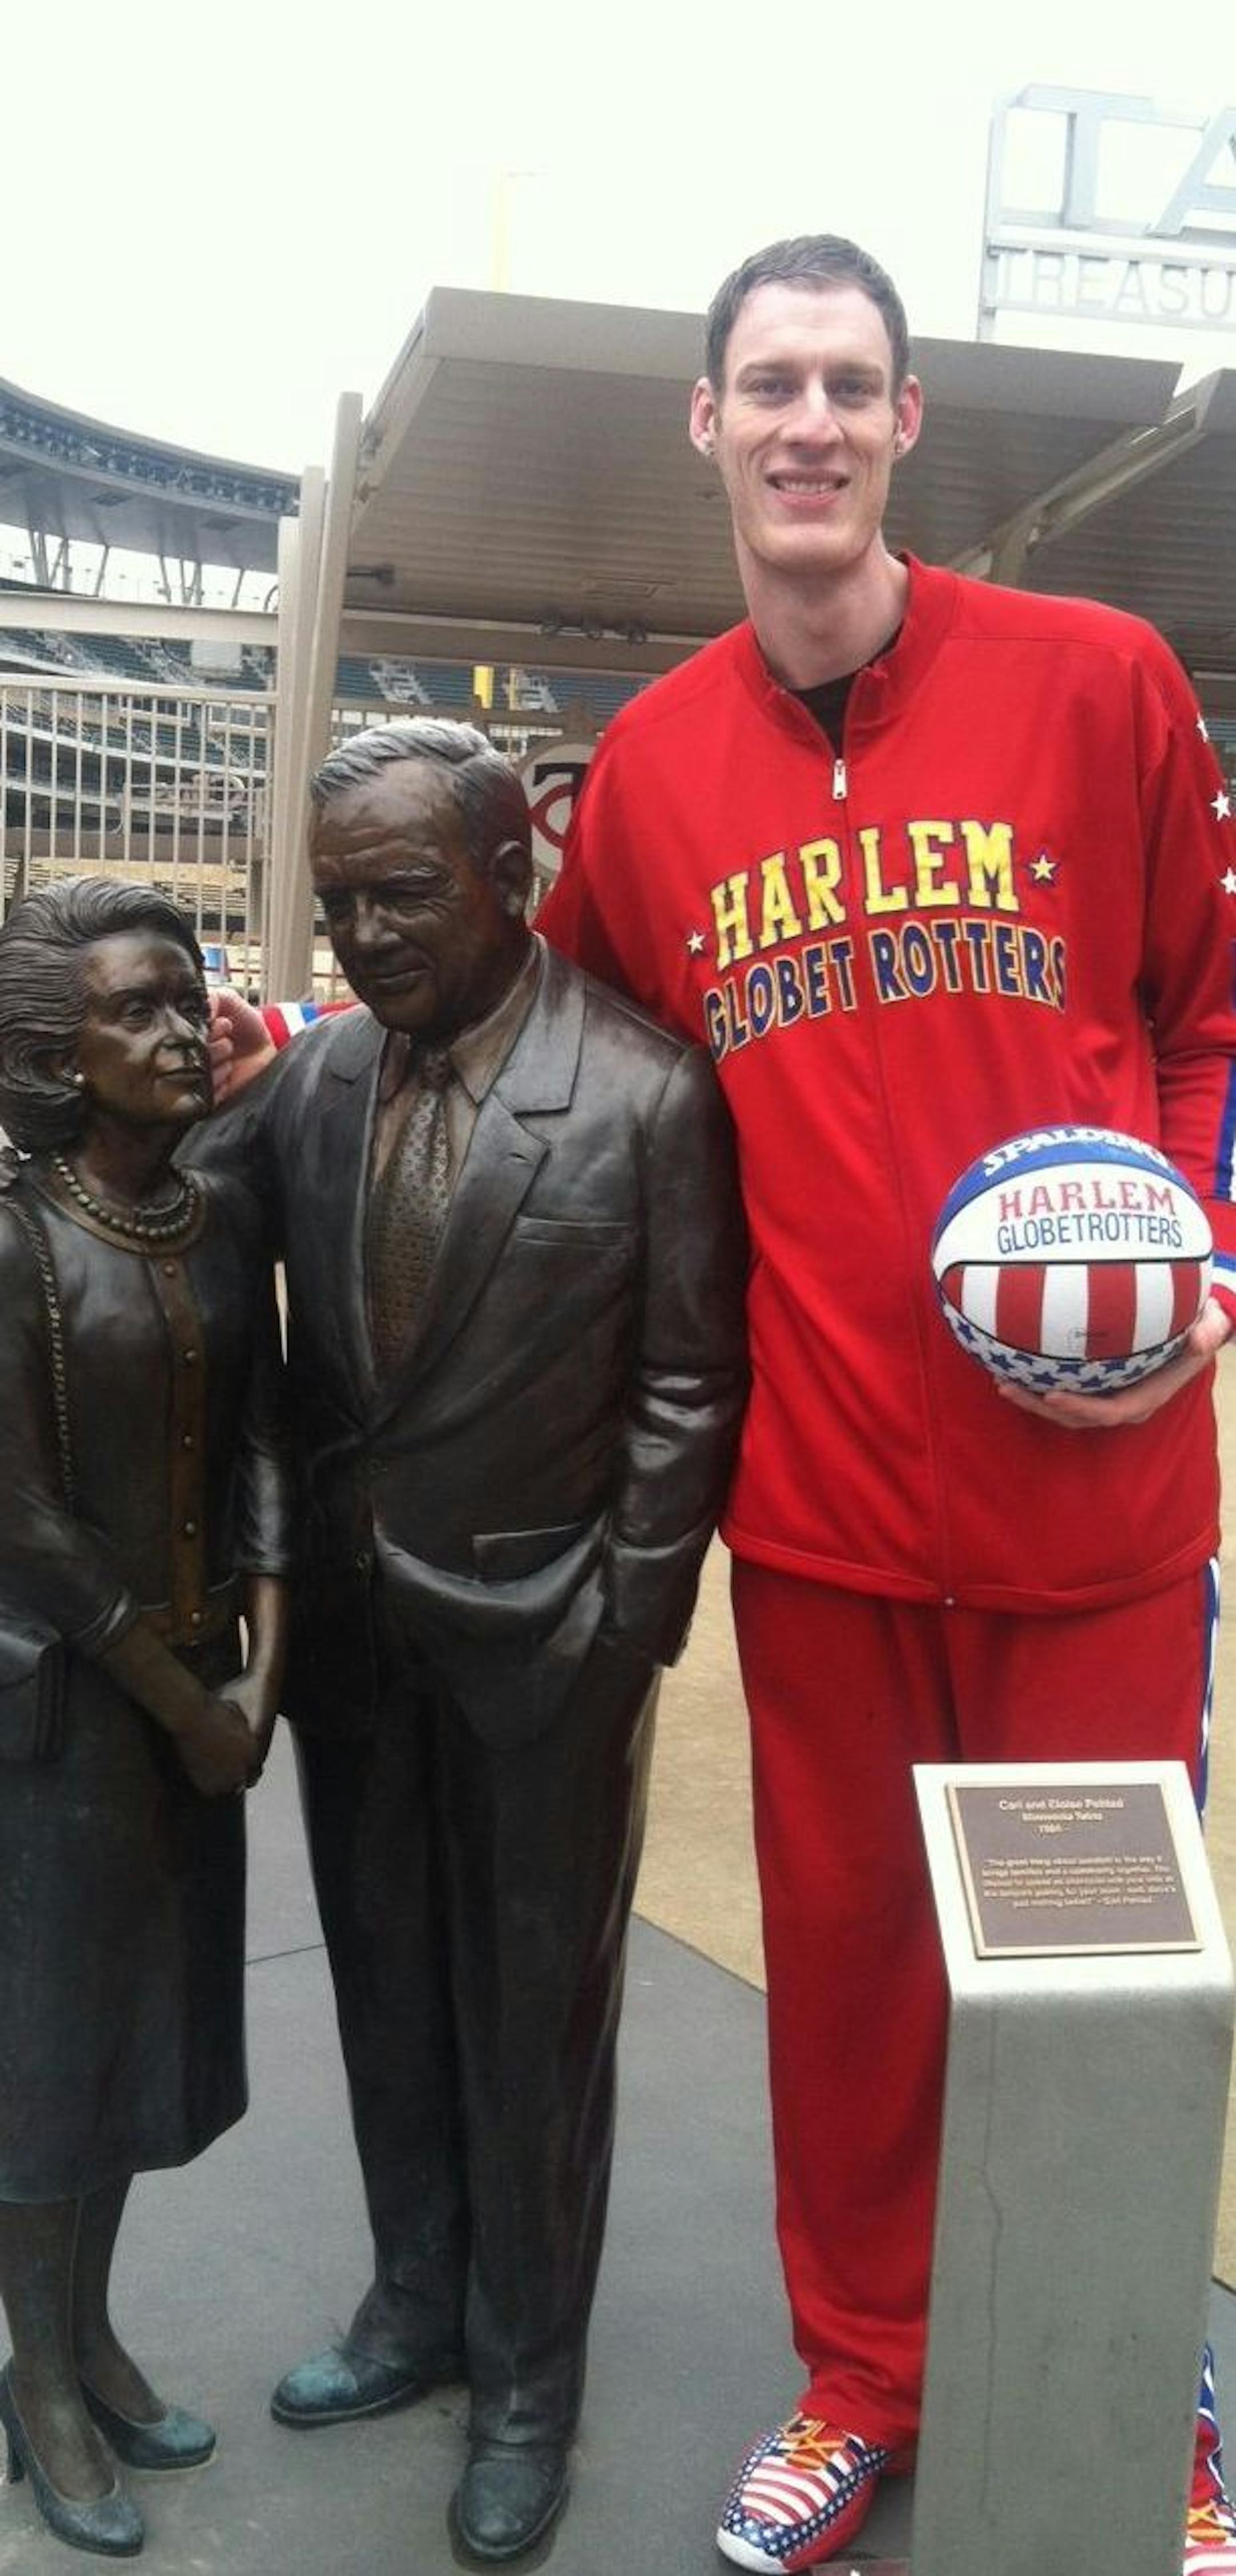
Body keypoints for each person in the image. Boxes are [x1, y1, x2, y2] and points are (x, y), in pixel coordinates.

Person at [536, 234, 1236, 2575]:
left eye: (851, 381)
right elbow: (575, 1086)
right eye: (771, 384)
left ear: (909, 424)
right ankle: (864, 2375)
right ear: (709, 428)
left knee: (1095, 1980)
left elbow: (1211, 1008)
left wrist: (1197, 1236)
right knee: (849, 1984)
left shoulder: (1102, 678)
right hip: (818, 1504)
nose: (811, 420)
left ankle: (1149, 2382)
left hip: (1097, 1503)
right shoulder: (643, 782)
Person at [194, 716, 747, 2562]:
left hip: (553, 1647)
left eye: (403, 893)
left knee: (534, 2029)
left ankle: (527, 2377)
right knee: (387, 1994)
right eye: (341, 901)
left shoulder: (645, 1092)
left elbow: (688, 1379)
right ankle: (412, 2301)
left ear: (514, 877)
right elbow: (180, 1219)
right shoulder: (319, 1081)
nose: (363, 936)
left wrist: (630, 1620)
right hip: (360, 1644)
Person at [0, 879, 289, 2561]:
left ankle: (85, 2330)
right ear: (56, 1049)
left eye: (193, 998)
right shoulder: (18, 1239)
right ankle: (39, 2374)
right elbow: (24, 1520)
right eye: (143, 1011)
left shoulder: (215, 1216)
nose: (190, 1033)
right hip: (68, 1717)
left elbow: (261, 1438)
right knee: (43, 2062)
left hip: (198, 1707)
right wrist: (188, 1699)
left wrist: (263, 1664)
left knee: (130, 2046)